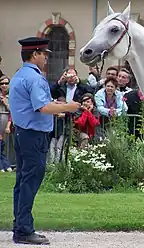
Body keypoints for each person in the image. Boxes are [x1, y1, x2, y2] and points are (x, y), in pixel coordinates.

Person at [8, 37, 80, 245]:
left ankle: (20, 226)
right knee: (30, 182)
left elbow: (34, 107)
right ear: (36, 54)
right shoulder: (35, 78)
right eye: (44, 54)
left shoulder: (19, 75)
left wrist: (53, 109)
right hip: (34, 136)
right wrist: (68, 107)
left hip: (23, 133)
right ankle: (24, 230)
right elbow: (43, 107)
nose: (46, 58)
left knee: (22, 182)